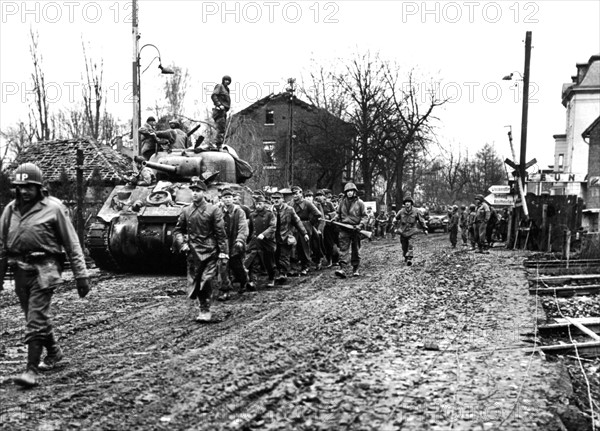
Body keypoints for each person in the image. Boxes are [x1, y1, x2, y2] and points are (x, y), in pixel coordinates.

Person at [0, 163, 90, 388]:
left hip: (46, 268)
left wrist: (81, 275)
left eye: (28, 187)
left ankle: (30, 370)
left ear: (39, 187)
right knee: (32, 315)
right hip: (19, 268)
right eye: (19, 187)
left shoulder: (54, 208)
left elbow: (72, 243)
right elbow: (2, 244)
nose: (23, 191)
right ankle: (54, 353)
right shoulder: (10, 210)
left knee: (35, 318)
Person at [172, 177, 228, 322]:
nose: (194, 194)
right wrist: (182, 244)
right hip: (192, 252)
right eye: (193, 191)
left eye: (197, 191)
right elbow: (178, 231)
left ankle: (206, 310)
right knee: (196, 282)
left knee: (206, 280)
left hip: (210, 250)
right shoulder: (186, 211)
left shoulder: (213, 210)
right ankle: (202, 307)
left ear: (204, 192)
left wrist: (223, 251)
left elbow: (221, 233)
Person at [271, 191, 308, 285]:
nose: (276, 200)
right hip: (273, 237)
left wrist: (304, 233)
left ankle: (283, 273)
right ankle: (276, 273)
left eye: (278, 198)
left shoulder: (289, 209)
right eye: (274, 198)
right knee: (275, 255)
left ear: (282, 200)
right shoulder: (270, 210)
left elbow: (297, 222)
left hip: (285, 235)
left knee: (284, 255)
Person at [333, 182, 368, 278]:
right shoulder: (342, 202)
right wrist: (335, 218)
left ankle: (355, 268)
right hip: (344, 228)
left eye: (351, 191)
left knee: (355, 249)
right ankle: (342, 269)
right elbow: (338, 213)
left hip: (355, 229)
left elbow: (365, 216)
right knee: (343, 249)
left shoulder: (360, 203)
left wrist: (360, 225)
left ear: (355, 192)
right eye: (347, 191)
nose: (349, 193)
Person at [219, 188, 250, 294]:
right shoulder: (218, 211)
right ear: (222, 199)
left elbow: (243, 226)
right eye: (225, 198)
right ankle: (225, 290)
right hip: (223, 243)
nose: (227, 200)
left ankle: (244, 281)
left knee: (237, 265)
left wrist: (240, 240)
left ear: (233, 199)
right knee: (223, 266)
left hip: (235, 242)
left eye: (229, 197)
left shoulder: (239, 211)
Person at [245, 194, 277, 288]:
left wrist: (264, 234)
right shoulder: (252, 215)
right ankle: (253, 281)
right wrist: (248, 240)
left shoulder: (270, 214)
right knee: (254, 262)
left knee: (269, 262)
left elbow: (273, 227)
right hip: (255, 242)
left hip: (267, 241)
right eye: (256, 204)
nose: (258, 206)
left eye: (260, 204)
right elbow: (250, 229)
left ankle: (271, 278)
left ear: (264, 204)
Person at [290, 186, 322, 275]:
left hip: (305, 225)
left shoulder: (307, 203)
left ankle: (307, 265)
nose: (295, 195)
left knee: (307, 245)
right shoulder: (291, 204)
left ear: (301, 193)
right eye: (293, 194)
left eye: (296, 193)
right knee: (294, 247)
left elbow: (318, 214)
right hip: (294, 227)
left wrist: (310, 223)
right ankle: (294, 266)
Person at [394, 195, 428, 266]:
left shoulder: (416, 211)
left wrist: (425, 229)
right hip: (403, 231)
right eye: (406, 202)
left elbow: (421, 221)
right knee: (404, 247)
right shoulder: (401, 211)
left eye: (409, 202)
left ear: (411, 203)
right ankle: (405, 256)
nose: (407, 204)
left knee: (410, 245)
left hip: (412, 230)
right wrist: (394, 227)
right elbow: (395, 219)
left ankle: (409, 258)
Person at [211, 75, 232, 150]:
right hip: (219, 110)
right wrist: (219, 105)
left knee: (222, 128)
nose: (227, 82)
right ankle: (217, 145)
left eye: (228, 81)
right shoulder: (220, 86)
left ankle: (219, 144)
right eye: (226, 80)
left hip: (224, 111)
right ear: (223, 80)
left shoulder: (227, 90)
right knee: (220, 127)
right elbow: (214, 95)